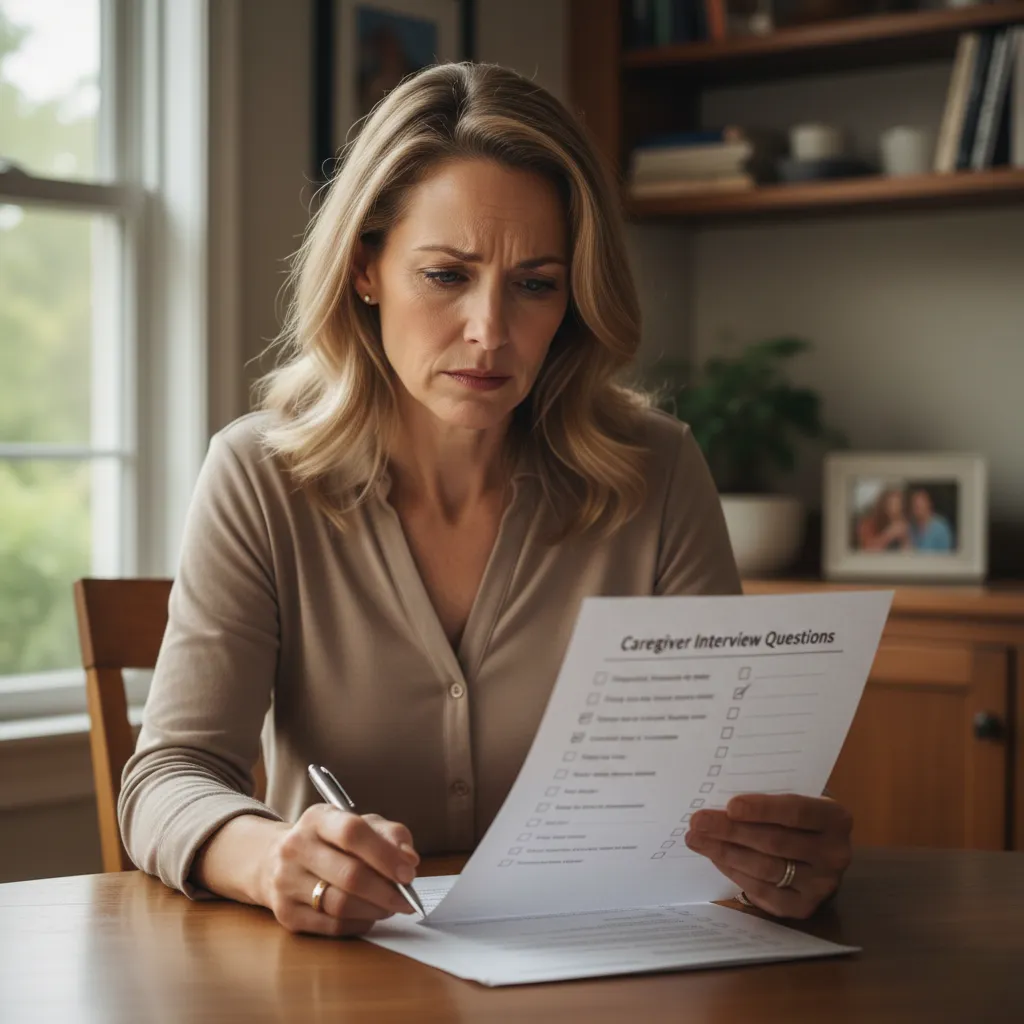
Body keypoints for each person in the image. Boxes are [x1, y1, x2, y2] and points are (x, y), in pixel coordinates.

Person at [118, 62, 853, 937]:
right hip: (337, 977)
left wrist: (778, 853)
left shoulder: (657, 473)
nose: (490, 331)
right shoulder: (258, 477)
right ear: (365, 267)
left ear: (574, 295)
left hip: (607, 968)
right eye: (445, 275)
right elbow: (169, 776)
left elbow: (721, 789)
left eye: (536, 284)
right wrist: (273, 858)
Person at [856, 486, 911, 552]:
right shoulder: (868, 524)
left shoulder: (904, 523)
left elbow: (907, 554)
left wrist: (905, 538)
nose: (895, 509)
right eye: (891, 504)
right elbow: (868, 550)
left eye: (898, 504)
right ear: (883, 504)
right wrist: (890, 533)